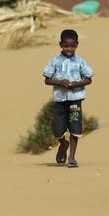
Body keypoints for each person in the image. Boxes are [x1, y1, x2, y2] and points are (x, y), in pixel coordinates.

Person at [42, 29, 94, 168]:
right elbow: (47, 80)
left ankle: (71, 157)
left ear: (76, 45)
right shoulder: (54, 61)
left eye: (72, 46)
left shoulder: (80, 62)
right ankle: (63, 144)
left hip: (75, 99)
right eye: (66, 46)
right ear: (61, 45)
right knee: (57, 130)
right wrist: (60, 82)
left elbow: (89, 79)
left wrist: (78, 84)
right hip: (60, 100)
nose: (69, 49)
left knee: (75, 128)